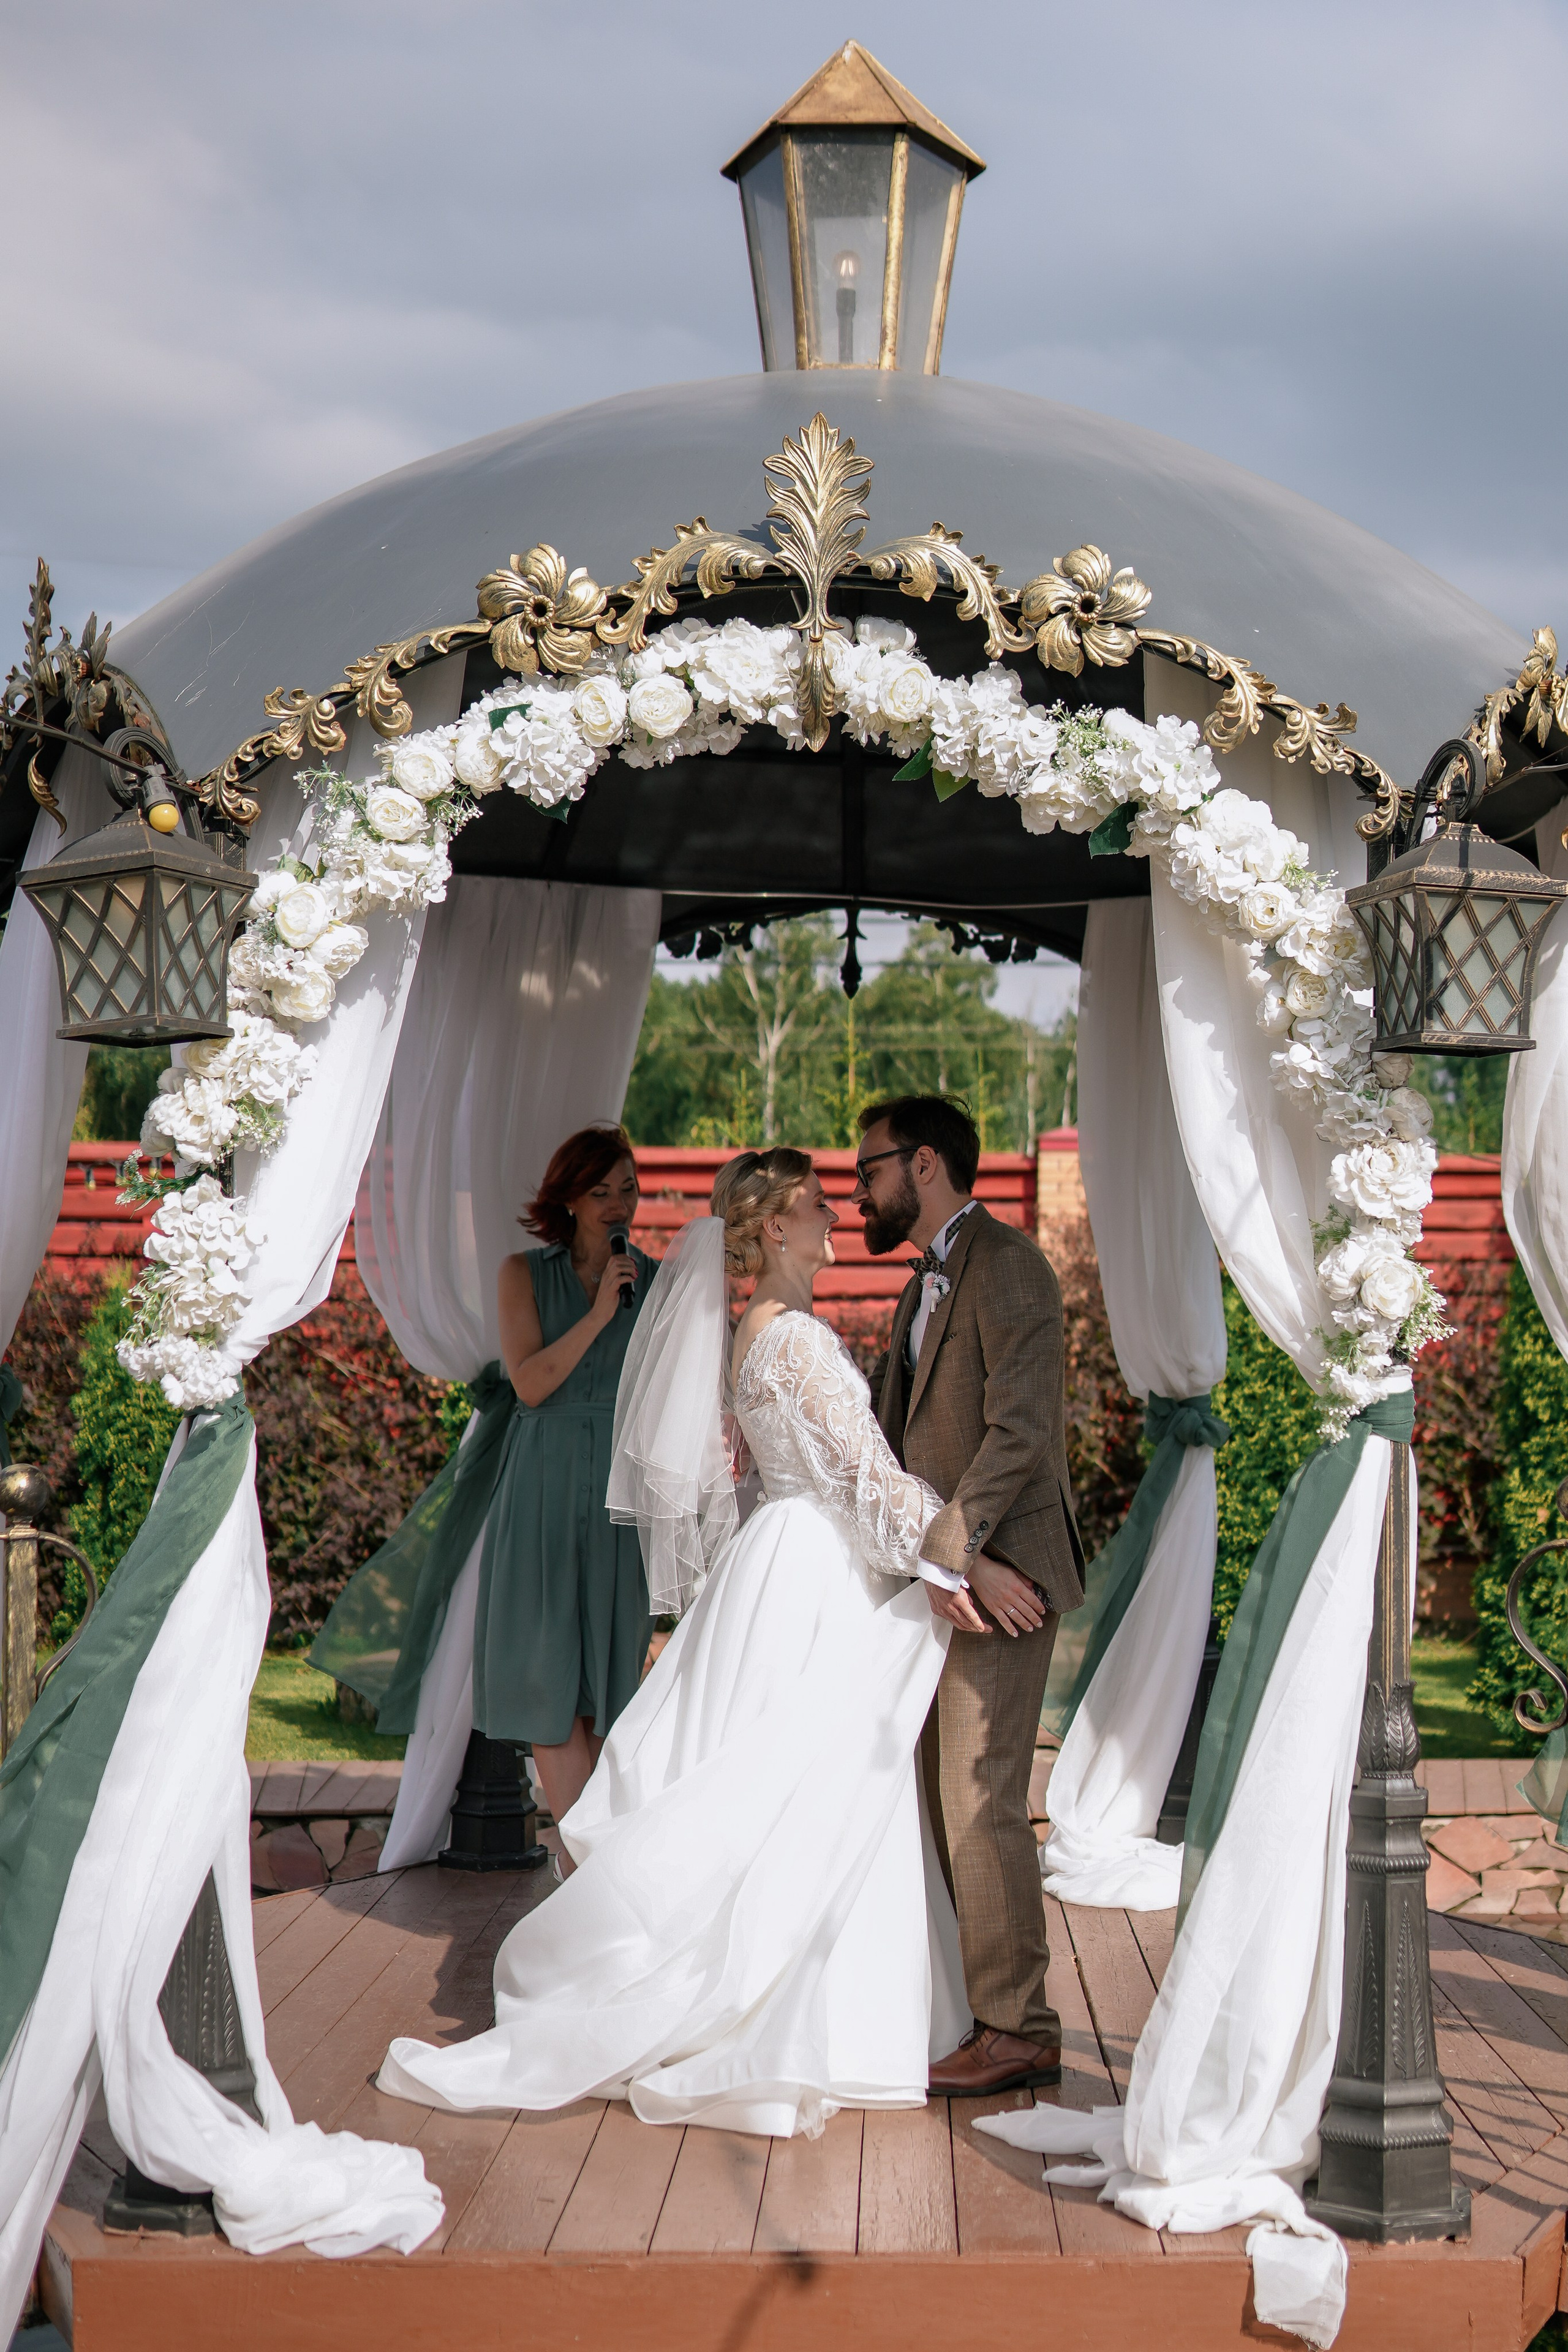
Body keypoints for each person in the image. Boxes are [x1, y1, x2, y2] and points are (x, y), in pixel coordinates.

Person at [377, 1148, 973, 2137]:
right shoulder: (798, 1346)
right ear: (775, 1228)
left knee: (773, 1786)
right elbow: (864, 1485)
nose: (837, 1220)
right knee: (805, 1787)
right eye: (819, 1207)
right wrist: (957, 1555)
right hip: (810, 1567)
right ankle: (795, 2005)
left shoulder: (752, 1334)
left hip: (776, 1562)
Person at [856, 1093, 1084, 2098]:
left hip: (1005, 1575)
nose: (859, 1185)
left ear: (926, 1164)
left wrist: (954, 1553)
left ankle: (1019, 2027)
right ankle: (962, 2003)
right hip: (939, 1578)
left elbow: (1022, 1429)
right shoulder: (920, 1289)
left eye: (869, 1167)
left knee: (979, 1795)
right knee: (928, 1794)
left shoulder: (1011, 1264)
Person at [477, 1123, 656, 1855]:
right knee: (548, 1676)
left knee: (612, 1684)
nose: (619, 1205)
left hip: (620, 1492)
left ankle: (599, 1865)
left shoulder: (658, 1280)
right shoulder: (522, 1273)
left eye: (629, 1190)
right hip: (544, 1483)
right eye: (600, 1191)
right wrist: (597, 1317)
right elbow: (529, 1384)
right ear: (570, 1199)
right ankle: (586, 1871)